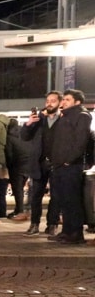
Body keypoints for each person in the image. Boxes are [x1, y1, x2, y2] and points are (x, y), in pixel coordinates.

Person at [45, 89, 91, 244]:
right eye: (63, 99)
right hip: (59, 165)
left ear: (77, 102)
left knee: (72, 201)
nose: (63, 102)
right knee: (63, 200)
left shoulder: (82, 116)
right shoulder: (65, 116)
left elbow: (80, 141)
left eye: (67, 100)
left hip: (70, 166)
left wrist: (69, 160)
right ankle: (67, 232)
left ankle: (76, 234)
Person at [21, 91, 63, 236]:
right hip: (38, 162)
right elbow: (24, 137)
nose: (49, 103)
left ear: (59, 103)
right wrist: (29, 123)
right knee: (35, 195)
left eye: (53, 101)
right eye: (47, 101)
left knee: (56, 195)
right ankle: (34, 224)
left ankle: (52, 224)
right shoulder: (39, 119)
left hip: (57, 162)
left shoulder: (63, 119)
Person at [4, 117, 30, 221]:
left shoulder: (9, 137)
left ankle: (19, 210)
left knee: (17, 189)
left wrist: (9, 165)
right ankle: (19, 209)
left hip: (16, 165)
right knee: (21, 188)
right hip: (27, 164)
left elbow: (9, 154)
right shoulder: (24, 134)